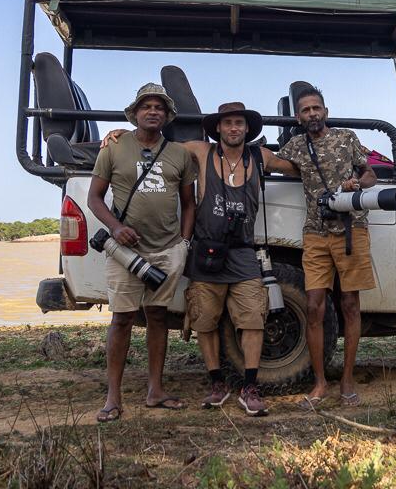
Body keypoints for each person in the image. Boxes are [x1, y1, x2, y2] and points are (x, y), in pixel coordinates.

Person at [103, 102, 298, 415]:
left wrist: (330, 160)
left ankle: (249, 388)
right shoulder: (200, 151)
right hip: (207, 252)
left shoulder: (260, 157)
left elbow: (296, 168)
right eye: (227, 123)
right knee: (204, 320)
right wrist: (124, 135)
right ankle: (217, 383)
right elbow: (155, 144)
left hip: (244, 252)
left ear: (247, 128)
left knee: (253, 318)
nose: (233, 128)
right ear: (217, 128)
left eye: (239, 123)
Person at [88, 84, 197, 423]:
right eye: (146, 106)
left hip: (167, 249)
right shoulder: (114, 147)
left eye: (159, 107)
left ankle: (156, 390)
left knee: (158, 317)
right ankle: (113, 396)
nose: (153, 111)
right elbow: (94, 198)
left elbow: (189, 203)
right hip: (124, 251)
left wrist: (183, 244)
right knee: (121, 319)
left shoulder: (179, 154)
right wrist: (115, 228)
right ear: (135, 113)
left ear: (167, 115)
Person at [278, 85, 377, 409]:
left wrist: (356, 184)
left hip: (350, 228)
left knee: (350, 304)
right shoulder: (296, 146)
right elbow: (269, 161)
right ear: (298, 117)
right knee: (313, 306)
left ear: (326, 111)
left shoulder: (346, 138)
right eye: (306, 110)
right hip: (316, 232)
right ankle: (320, 383)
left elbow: (371, 174)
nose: (312, 114)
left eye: (316, 108)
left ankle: (347, 380)